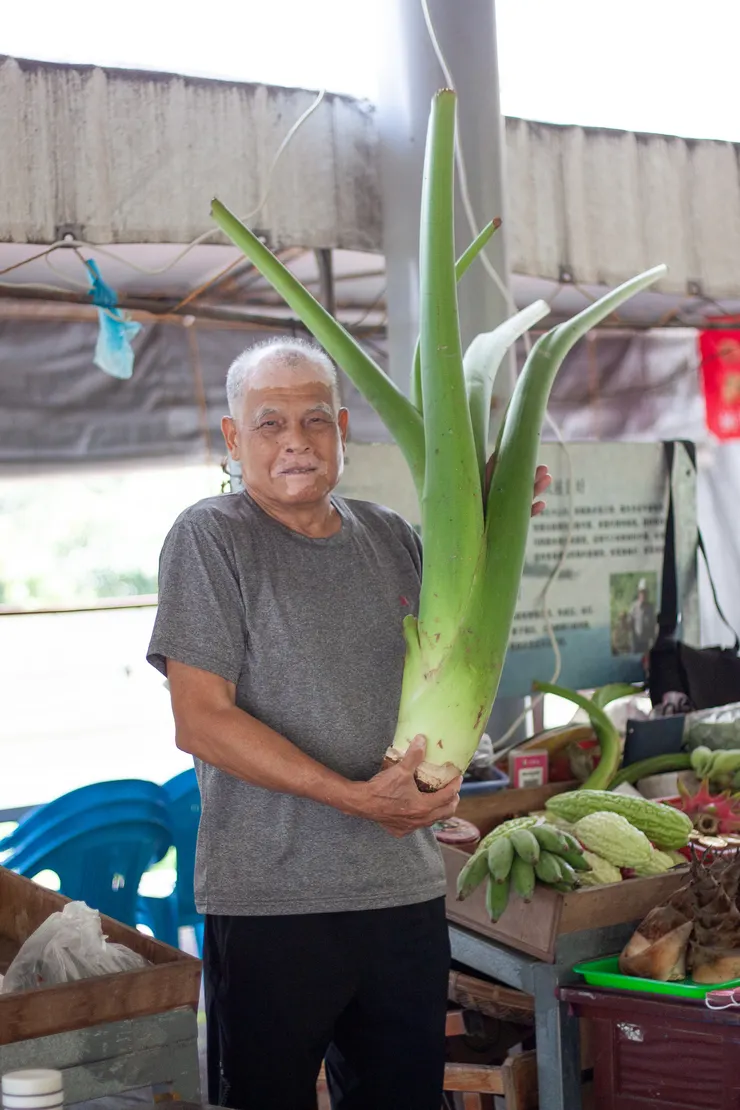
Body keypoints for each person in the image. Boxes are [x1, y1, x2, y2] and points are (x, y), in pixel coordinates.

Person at [147, 338, 551, 1110]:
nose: (295, 440)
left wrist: (496, 514)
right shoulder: (211, 538)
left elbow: (450, 666)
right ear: (233, 440)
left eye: (314, 420)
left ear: (340, 429)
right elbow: (201, 721)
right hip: (272, 902)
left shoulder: (391, 535)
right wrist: (355, 797)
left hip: (401, 894)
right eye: (269, 423)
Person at [629, 578, 656, 655]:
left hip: (646, 643)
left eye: (645, 592)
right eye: (642, 592)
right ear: (639, 593)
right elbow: (630, 623)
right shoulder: (634, 607)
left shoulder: (651, 608)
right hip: (635, 643)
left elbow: (653, 626)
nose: (643, 595)